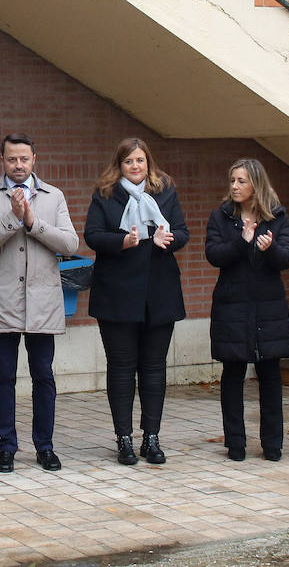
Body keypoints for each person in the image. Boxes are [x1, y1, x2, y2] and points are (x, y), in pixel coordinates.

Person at [0, 133, 79, 473]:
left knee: (43, 375)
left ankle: (44, 447)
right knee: (3, 375)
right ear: (2, 160)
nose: (18, 165)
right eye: (12, 159)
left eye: (24, 159)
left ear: (35, 159)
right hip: (2, 300)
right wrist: (12, 219)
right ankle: (7, 447)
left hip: (42, 300)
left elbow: (70, 243)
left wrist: (31, 221)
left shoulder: (53, 196)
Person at [83, 137, 189, 466]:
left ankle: (151, 437)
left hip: (158, 293)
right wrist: (127, 241)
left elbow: (182, 232)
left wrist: (164, 238)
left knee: (154, 369)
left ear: (148, 163)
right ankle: (124, 438)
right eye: (129, 161)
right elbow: (92, 235)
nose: (135, 166)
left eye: (140, 160)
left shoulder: (165, 191)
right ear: (119, 165)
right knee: (122, 368)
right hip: (117, 295)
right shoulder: (105, 194)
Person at [204, 158, 289, 462]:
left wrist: (270, 250)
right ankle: (236, 443)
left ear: (256, 183)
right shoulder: (221, 217)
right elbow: (214, 255)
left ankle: (272, 444)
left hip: (268, 309)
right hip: (232, 307)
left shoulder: (277, 216)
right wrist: (242, 243)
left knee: (270, 375)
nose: (234, 186)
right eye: (232, 180)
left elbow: (288, 257)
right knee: (233, 374)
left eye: (241, 181)